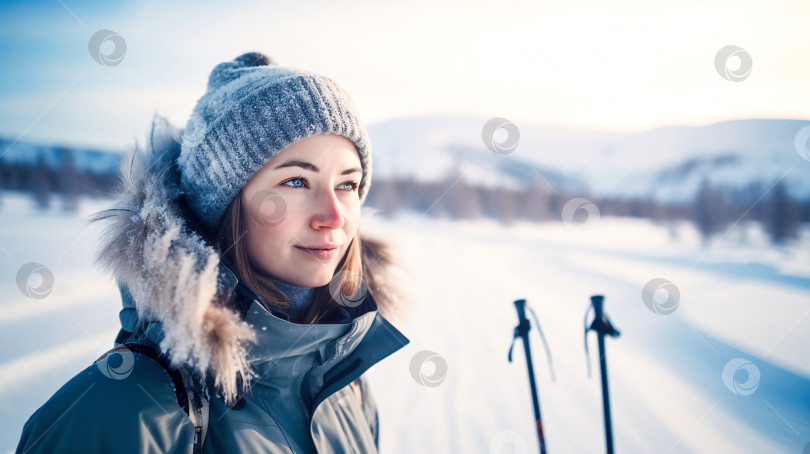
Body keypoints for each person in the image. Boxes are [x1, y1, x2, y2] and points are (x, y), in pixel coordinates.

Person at [16, 52, 410, 454]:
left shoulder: (342, 385)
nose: (333, 217)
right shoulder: (124, 410)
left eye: (347, 185)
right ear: (221, 203)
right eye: (296, 181)